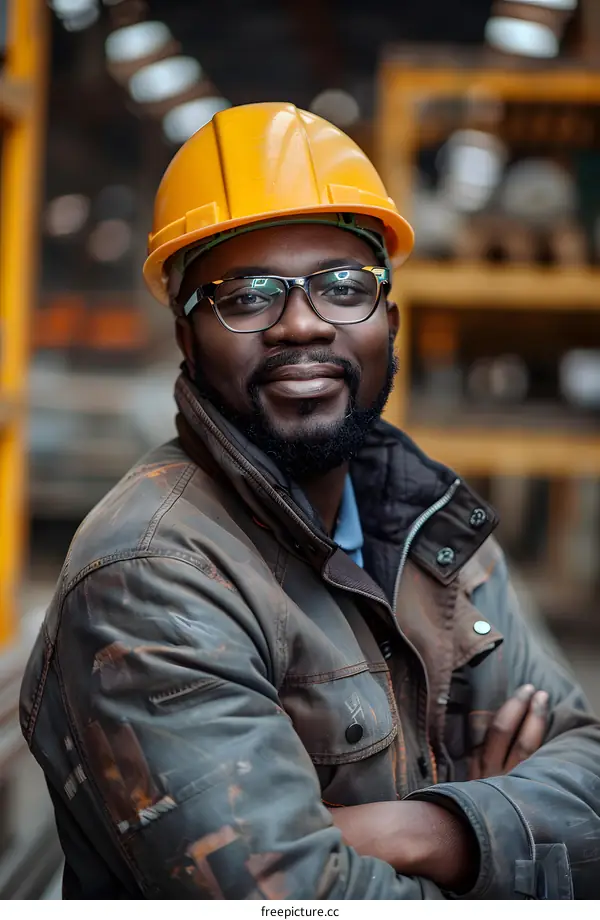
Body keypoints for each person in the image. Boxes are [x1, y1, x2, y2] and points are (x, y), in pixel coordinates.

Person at [20, 102, 600, 900]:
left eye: (341, 286)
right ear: (187, 338)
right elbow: (295, 900)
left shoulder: (428, 526)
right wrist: (505, 841)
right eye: (247, 296)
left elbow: (592, 775)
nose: (302, 324)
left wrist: (429, 829)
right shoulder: (151, 575)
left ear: (389, 321)